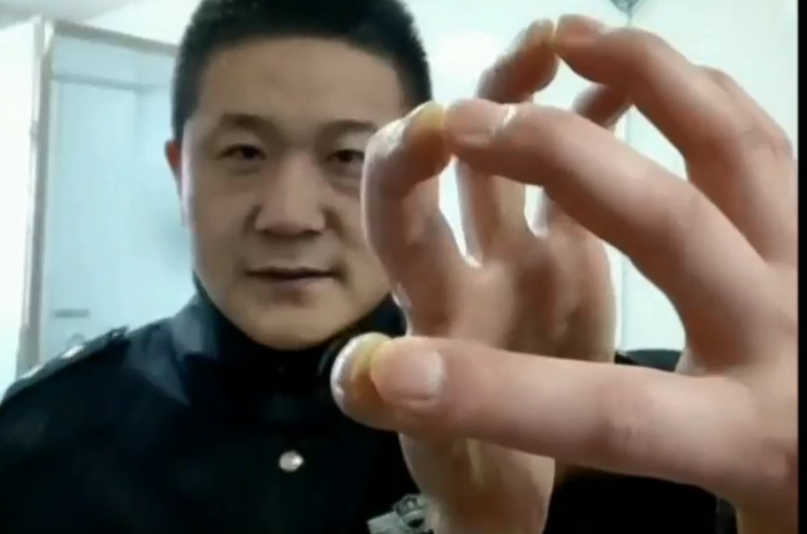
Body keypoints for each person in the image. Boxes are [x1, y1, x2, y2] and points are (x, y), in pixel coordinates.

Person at [0, 1, 781, 533]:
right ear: (181, 173)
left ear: (417, 173)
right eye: (242, 153)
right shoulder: (37, 443)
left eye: (348, 156)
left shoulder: (605, 434)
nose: (289, 215)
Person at [332, 13, 798, 534]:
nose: (290, 216)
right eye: (254, 154)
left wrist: (565, 488)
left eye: (345, 155)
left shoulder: (702, 405)